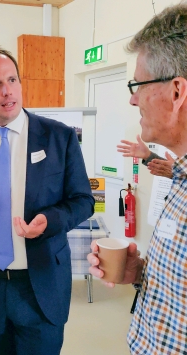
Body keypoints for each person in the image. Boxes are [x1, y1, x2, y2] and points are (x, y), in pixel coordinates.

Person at [0, 45, 94, 355]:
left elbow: (83, 200)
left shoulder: (59, 137)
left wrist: (50, 221)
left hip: (40, 286)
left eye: (12, 80)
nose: (7, 90)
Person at [88, 3, 187, 354]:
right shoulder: (180, 180)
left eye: (138, 84)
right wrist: (141, 272)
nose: (132, 100)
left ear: (177, 92)